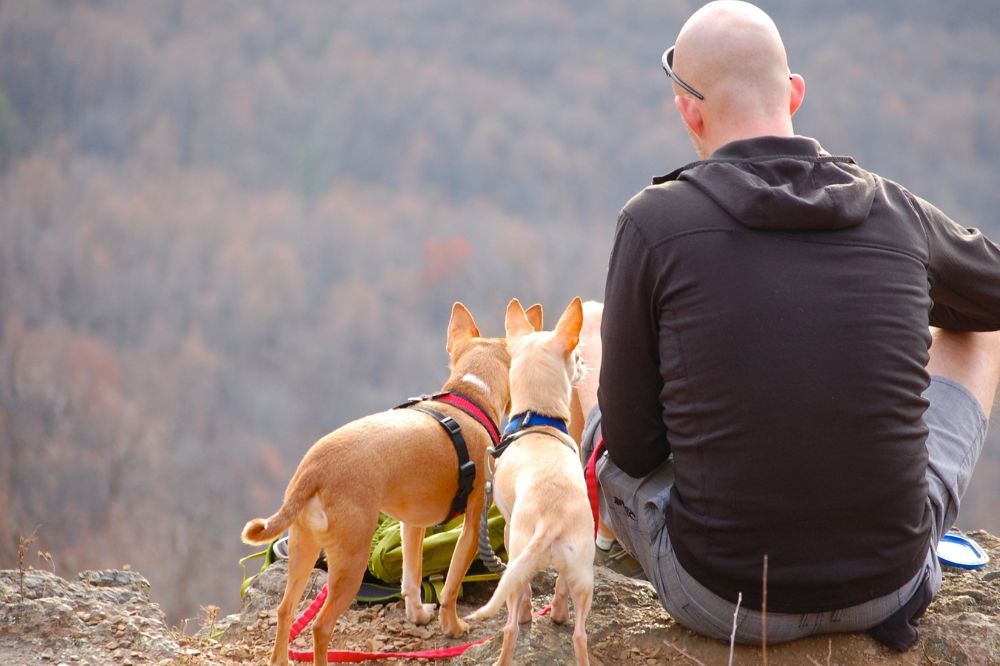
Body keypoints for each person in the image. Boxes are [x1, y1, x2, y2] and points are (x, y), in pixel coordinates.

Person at [589, 0, 1000, 651]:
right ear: (795, 94)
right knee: (980, 332)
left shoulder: (653, 223)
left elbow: (634, 451)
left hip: (721, 597)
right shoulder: (896, 211)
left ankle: (600, 546)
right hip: (890, 585)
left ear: (688, 111)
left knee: (591, 332)